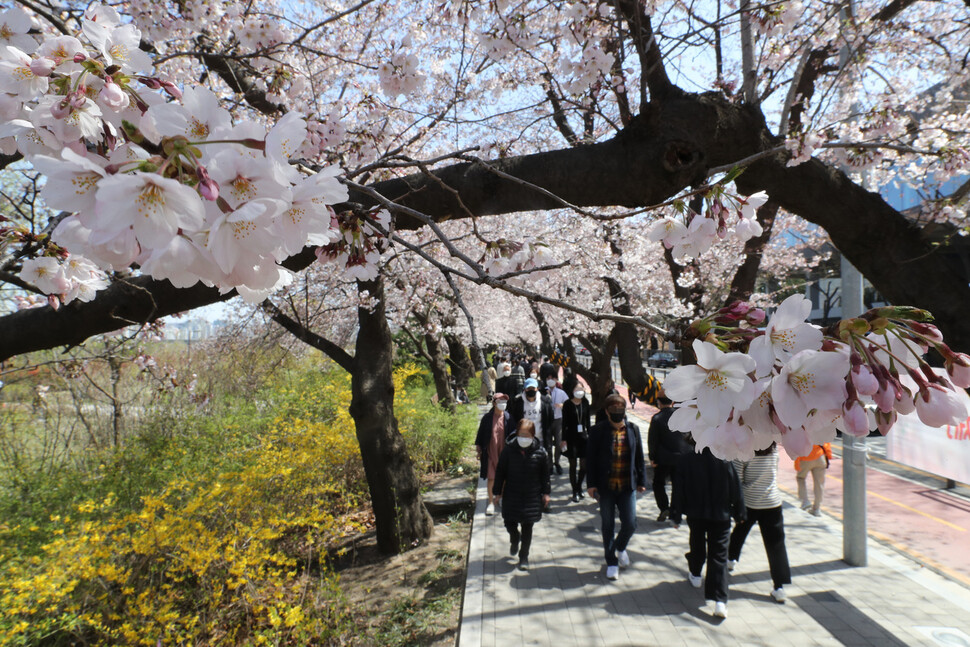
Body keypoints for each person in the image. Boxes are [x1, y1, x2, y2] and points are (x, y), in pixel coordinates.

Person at [670, 438, 746, 619]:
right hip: (721, 514)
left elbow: (678, 490)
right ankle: (720, 599)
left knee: (697, 544)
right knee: (719, 556)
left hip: (696, 513)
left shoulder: (686, 460)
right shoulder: (725, 459)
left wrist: (676, 514)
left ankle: (695, 574)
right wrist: (740, 513)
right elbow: (736, 487)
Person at [586, 394, 647, 581]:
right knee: (607, 525)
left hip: (627, 485)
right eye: (613, 410)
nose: (617, 413)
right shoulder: (598, 431)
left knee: (630, 523)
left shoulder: (633, 430)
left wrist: (642, 481)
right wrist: (591, 484)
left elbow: (639, 457)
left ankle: (620, 547)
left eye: (620, 409)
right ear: (607, 411)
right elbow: (590, 460)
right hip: (606, 487)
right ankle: (611, 562)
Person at [728, 442, 792, 603]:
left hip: (750, 502)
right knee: (776, 545)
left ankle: (730, 559)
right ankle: (779, 587)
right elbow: (774, 472)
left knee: (740, 531)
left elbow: (736, 479)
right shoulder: (773, 450)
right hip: (772, 502)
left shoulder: (743, 452)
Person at [493, 419, 551, 571]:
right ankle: (514, 538)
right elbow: (500, 472)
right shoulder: (508, 450)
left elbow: (545, 475)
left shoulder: (541, 452)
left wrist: (546, 493)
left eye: (527, 435)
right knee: (509, 522)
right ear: (516, 434)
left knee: (528, 527)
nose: (524, 437)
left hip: (531, 496)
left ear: (533, 435)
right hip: (512, 493)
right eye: (521, 434)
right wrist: (497, 493)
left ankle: (523, 556)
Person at [647, 394, 690, 522]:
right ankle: (675, 511)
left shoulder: (657, 418)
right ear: (672, 402)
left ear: (658, 402)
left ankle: (664, 507)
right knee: (678, 485)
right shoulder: (681, 416)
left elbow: (652, 440)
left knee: (658, 483)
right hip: (682, 457)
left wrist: (652, 457)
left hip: (664, 458)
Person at [510, 378, 555, 480]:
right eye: (528, 388)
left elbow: (550, 418)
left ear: (537, 389)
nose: (530, 390)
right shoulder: (518, 402)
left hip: (541, 439)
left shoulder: (545, 401)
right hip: (524, 440)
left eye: (533, 388)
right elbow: (515, 419)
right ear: (524, 389)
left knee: (541, 465)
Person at [475, 393, 512, 516]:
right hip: (490, 452)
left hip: (504, 453)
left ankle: (501, 498)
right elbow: (480, 435)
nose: (503, 404)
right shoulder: (487, 418)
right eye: (500, 401)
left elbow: (513, 435)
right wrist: (479, 448)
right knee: (491, 477)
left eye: (504, 401)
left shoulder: (508, 417)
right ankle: (490, 502)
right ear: (494, 403)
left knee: (505, 477)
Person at [561, 375, 591, 502]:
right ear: (572, 391)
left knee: (584, 466)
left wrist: (591, 436)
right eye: (577, 389)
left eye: (582, 388)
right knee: (572, 466)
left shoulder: (585, 403)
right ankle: (575, 491)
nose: (580, 391)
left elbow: (588, 421)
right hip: (571, 437)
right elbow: (564, 423)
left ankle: (579, 487)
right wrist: (563, 439)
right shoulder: (568, 404)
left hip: (583, 437)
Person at [795, 443, 832, 516]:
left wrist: (797, 464)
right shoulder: (821, 431)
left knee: (800, 478)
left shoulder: (801, 431)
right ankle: (817, 508)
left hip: (805, 457)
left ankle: (805, 501)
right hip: (820, 457)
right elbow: (827, 443)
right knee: (819, 483)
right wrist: (828, 455)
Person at [546, 374, 569, 475]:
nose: (550, 380)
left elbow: (568, 404)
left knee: (559, 443)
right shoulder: (543, 391)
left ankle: (557, 462)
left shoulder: (561, 392)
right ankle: (550, 465)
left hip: (559, 420)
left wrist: (562, 405)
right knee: (548, 444)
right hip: (547, 420)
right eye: (548, 378)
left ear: (556, 380)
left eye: (552, 378)